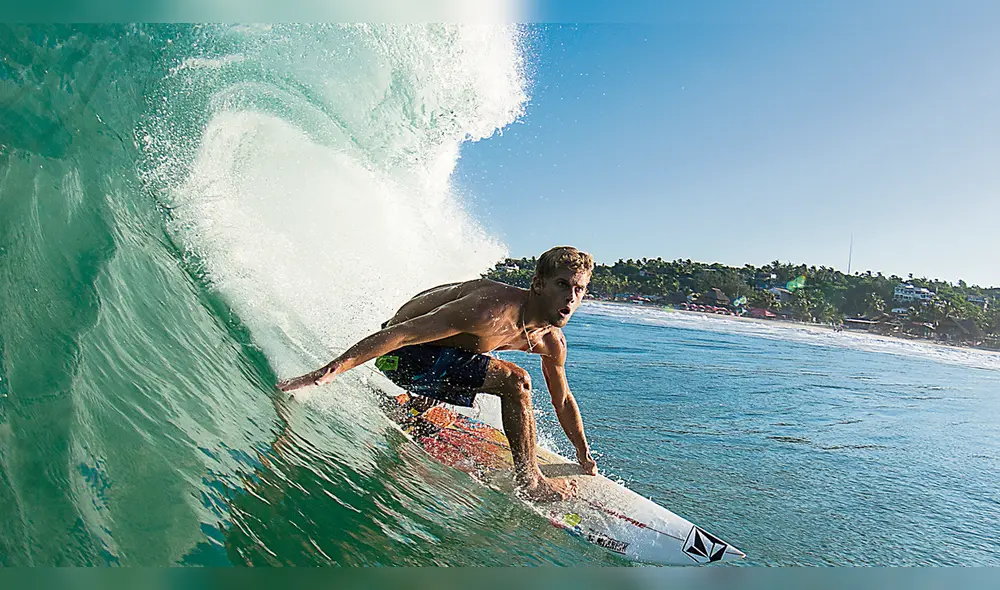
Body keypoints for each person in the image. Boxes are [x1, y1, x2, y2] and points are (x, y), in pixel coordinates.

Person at [277, 246, 598, 502]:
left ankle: (410, 407)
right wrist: (327, 372)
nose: (571, 297)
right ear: (539, 284)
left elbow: (563, 399)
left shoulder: (550, 341)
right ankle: (530, 482)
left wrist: (582, 451)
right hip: (397, 357)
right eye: (562, 285)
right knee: (516, 381)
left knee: (476, 357)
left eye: (579, 289)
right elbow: (401, 335)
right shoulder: (491, 310)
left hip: (432, 361)